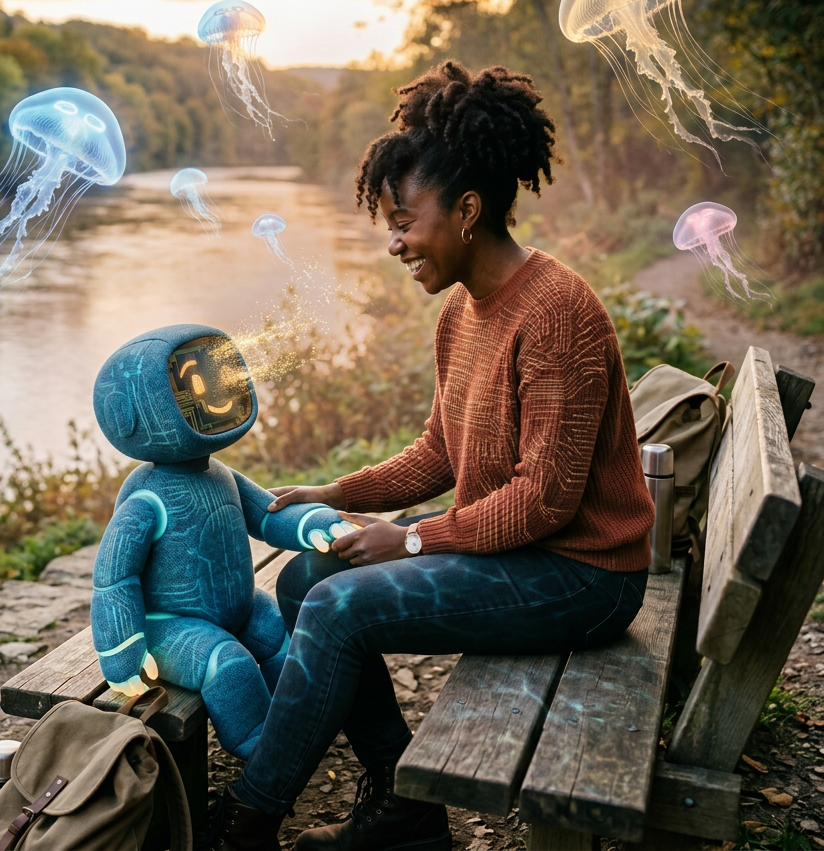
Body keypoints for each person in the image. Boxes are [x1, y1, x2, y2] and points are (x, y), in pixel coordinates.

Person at [207, 60, 656, 851]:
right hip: (523, 555)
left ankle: (251, 819)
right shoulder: (461, 314)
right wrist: (339, 490)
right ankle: (404, 805)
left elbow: (545, 500)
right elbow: (441, 451)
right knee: (308, 577)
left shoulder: (558, 312)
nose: (393, 243)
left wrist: (411, 539)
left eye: (404, 222)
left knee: (342, 607)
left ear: (468, 210)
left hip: (584, 576)